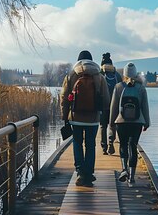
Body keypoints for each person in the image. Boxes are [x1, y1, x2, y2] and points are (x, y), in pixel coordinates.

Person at [60, 50, 110, 187]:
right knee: (90, 144)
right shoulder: (99, 76)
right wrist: (103, 115)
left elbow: (64, 99)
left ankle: (80, 172)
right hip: (93, 119)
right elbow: (106, 100)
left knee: (77, 143)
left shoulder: (71, 76)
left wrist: (65, 117)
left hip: (75, 118)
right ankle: (89, 173)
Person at [109, 62, 150, 187]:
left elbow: (114, 107)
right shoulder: (141, 88)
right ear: (136, 73)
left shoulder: (118, 86)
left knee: (123, 144)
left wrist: (111, 122)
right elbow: (145, 107)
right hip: (137, 122)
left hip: (122, 122)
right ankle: (131, 178)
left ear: (124, 74)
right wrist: (147, 122)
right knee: (133, 145)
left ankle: (124, 169)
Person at [99, 52, 122, 155]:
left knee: (103, 126)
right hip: (115, 105)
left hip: (103, 105)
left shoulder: (100, 75)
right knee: (112, 125)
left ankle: (104, 147)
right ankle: (111, 142)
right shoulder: (117, 75)